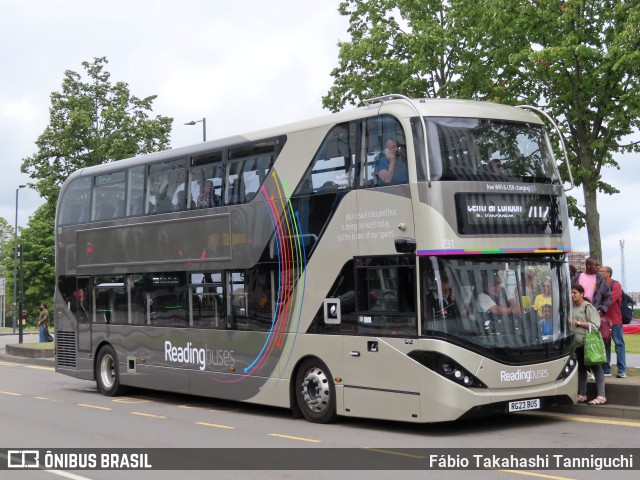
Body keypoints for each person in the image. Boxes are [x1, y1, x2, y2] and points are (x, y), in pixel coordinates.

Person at [570, 284, 607, 405]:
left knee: (596, 368)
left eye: (575, 292)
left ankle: (601, 396)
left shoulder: (588, 307)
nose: (572, 295)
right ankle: (582, 394)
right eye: (571, 293)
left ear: (582, 294)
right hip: (577, 345)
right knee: (581, 369)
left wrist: (578, 323)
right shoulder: (572, 307)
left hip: (589, 344)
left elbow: (595, 325)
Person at [600, 266, 627, 378]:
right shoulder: (598, 285)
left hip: (615, 320)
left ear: (608, 273)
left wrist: (599, 306)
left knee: (619, 344)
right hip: (603, 321)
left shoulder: (615, 285)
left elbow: (610, 300)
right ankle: (606, 369)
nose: (599, 272)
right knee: (605, 345)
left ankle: (621, 370)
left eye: (602, 271)